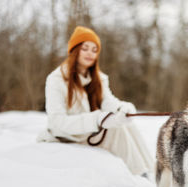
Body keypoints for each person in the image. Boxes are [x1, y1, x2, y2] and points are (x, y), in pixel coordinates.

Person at [37, 26, 153, 176]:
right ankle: (139, 176)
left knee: (127, 125)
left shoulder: (98, 79)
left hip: (89, 133)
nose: (90, 53)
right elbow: (57, 122)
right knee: (117, 131)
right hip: (67, 137)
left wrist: (124, 109)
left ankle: (152, 172)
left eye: (94, 49)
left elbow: (108, 102)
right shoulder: (56, 79)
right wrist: (97, 119)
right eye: (85, 48)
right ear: (74, 50)